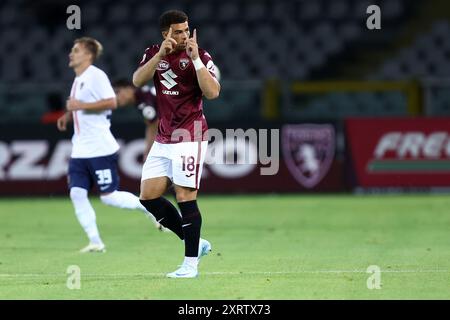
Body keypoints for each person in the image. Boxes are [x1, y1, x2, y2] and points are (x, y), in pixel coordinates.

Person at [133, 10, 220, 278]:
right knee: (148, 196)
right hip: (164, 136)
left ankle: (190, 265)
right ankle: (194, 242)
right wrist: (160, 55)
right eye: (178, 31)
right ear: (165, 34)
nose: (184, 35)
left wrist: (195, 60)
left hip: (189, 135)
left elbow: (213, 92)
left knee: (184, 196)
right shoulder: (153, 53)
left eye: (186, 30)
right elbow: (137, 81)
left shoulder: (201, 56)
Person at [57, 37, 160, 253]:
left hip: (99, 148)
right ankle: (95, 241)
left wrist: (79, 105)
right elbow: (79, 104)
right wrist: (68, 114)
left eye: (76, 50)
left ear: (88, 55)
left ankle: (150, 208)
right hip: (80, 149)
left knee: (109, 198)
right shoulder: (79, 79)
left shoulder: (97, 75)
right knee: (76, 193)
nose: (71, 53)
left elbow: (111, 102)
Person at [113, 79, 159, 159]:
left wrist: (148, 151)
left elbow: (154, 125)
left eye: (117, 92)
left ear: (128, 88)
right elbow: (151, 124)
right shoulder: (142, 97)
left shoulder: (143, 99)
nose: (116, 97)